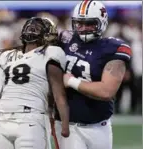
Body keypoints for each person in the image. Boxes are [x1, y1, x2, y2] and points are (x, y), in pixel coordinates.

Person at [0, 17, 69, 149]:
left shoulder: (45, 54)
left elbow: (59, 95)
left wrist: (64, 126)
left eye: (36, 28)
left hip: (20, 122)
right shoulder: (13, 55)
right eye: (31, 27)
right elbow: (1, 100)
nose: (32, 30)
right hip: (16, 122)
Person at [54, 1, 132, 149]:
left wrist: (71, 81)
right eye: (79, 23)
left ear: (101, 23)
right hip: (69, 125)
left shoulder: (113, 47)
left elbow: (106, 91)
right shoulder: (64, 39)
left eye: (89, 23)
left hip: (99, 126)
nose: (83, 28)